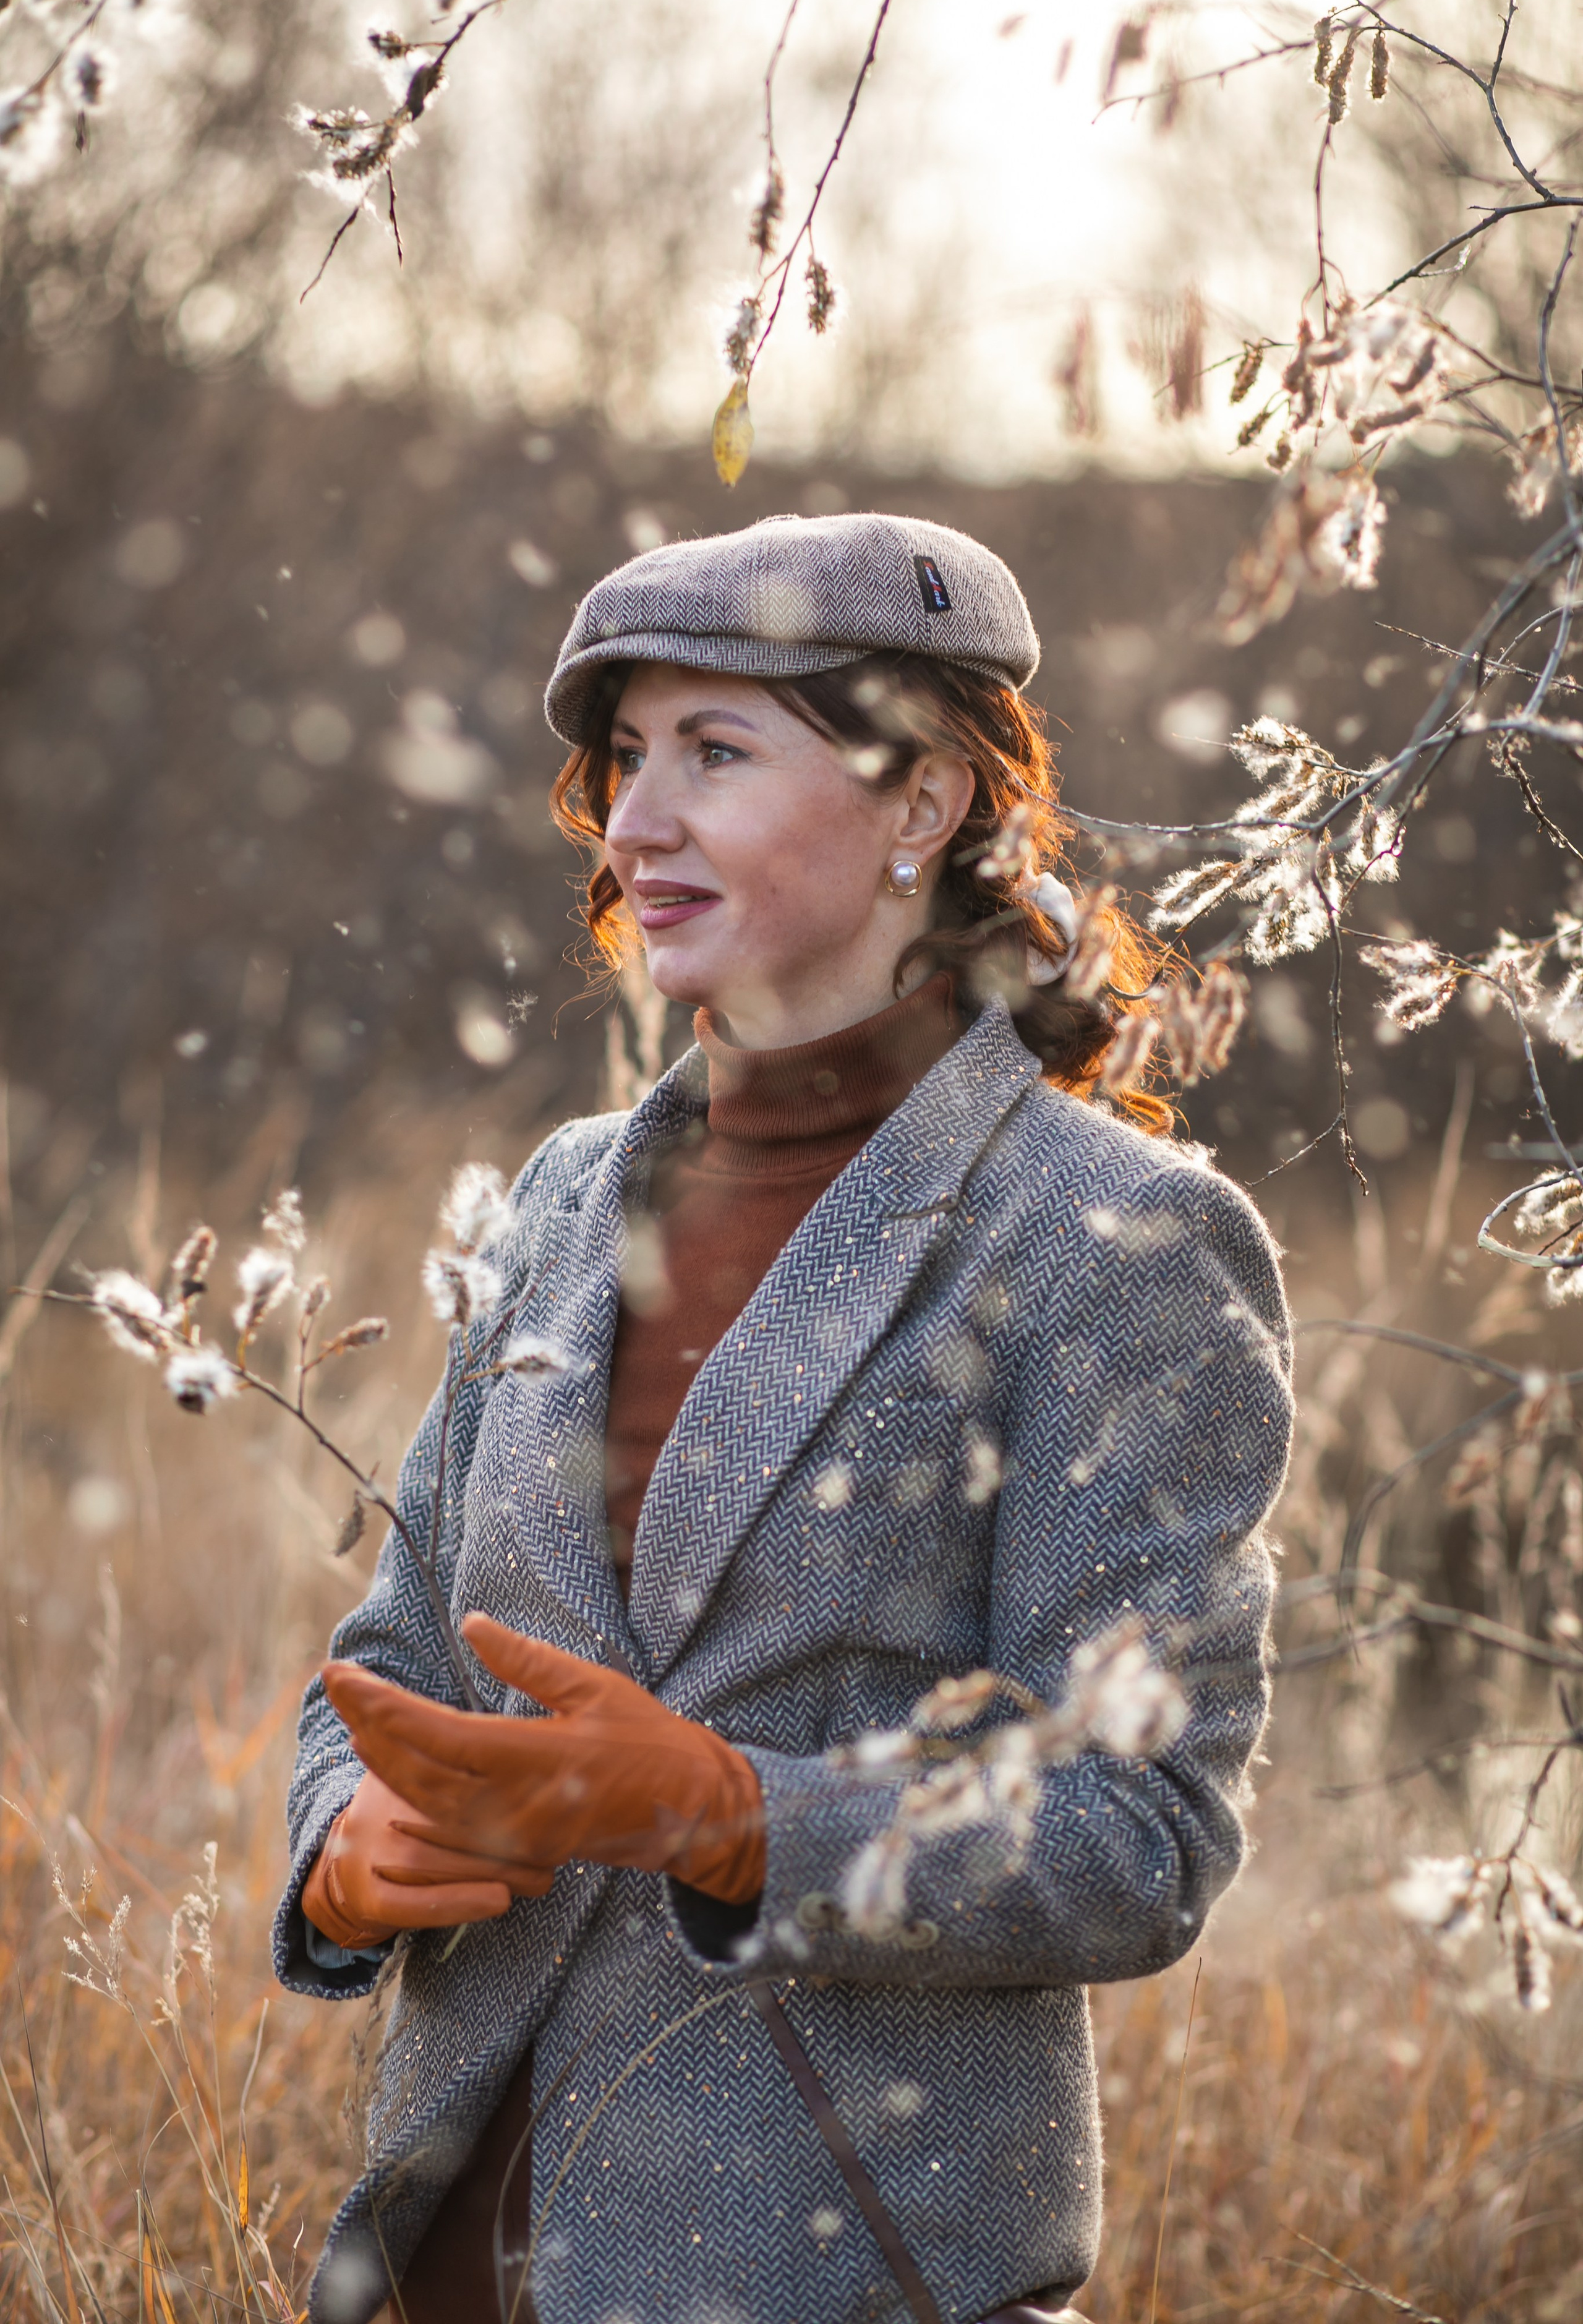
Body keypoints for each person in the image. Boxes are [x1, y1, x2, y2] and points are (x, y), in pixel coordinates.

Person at [274, 511, 1292, 2324]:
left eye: (716, 754)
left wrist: (738, 1818)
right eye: (626, 762)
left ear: (926, 804)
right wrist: (351, 1849)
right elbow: (391, 1657)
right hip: (439, 2256)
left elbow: (1142, 1838)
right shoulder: (564, 1197)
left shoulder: (1108, 1244)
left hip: (840, 2270)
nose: (635, 821)